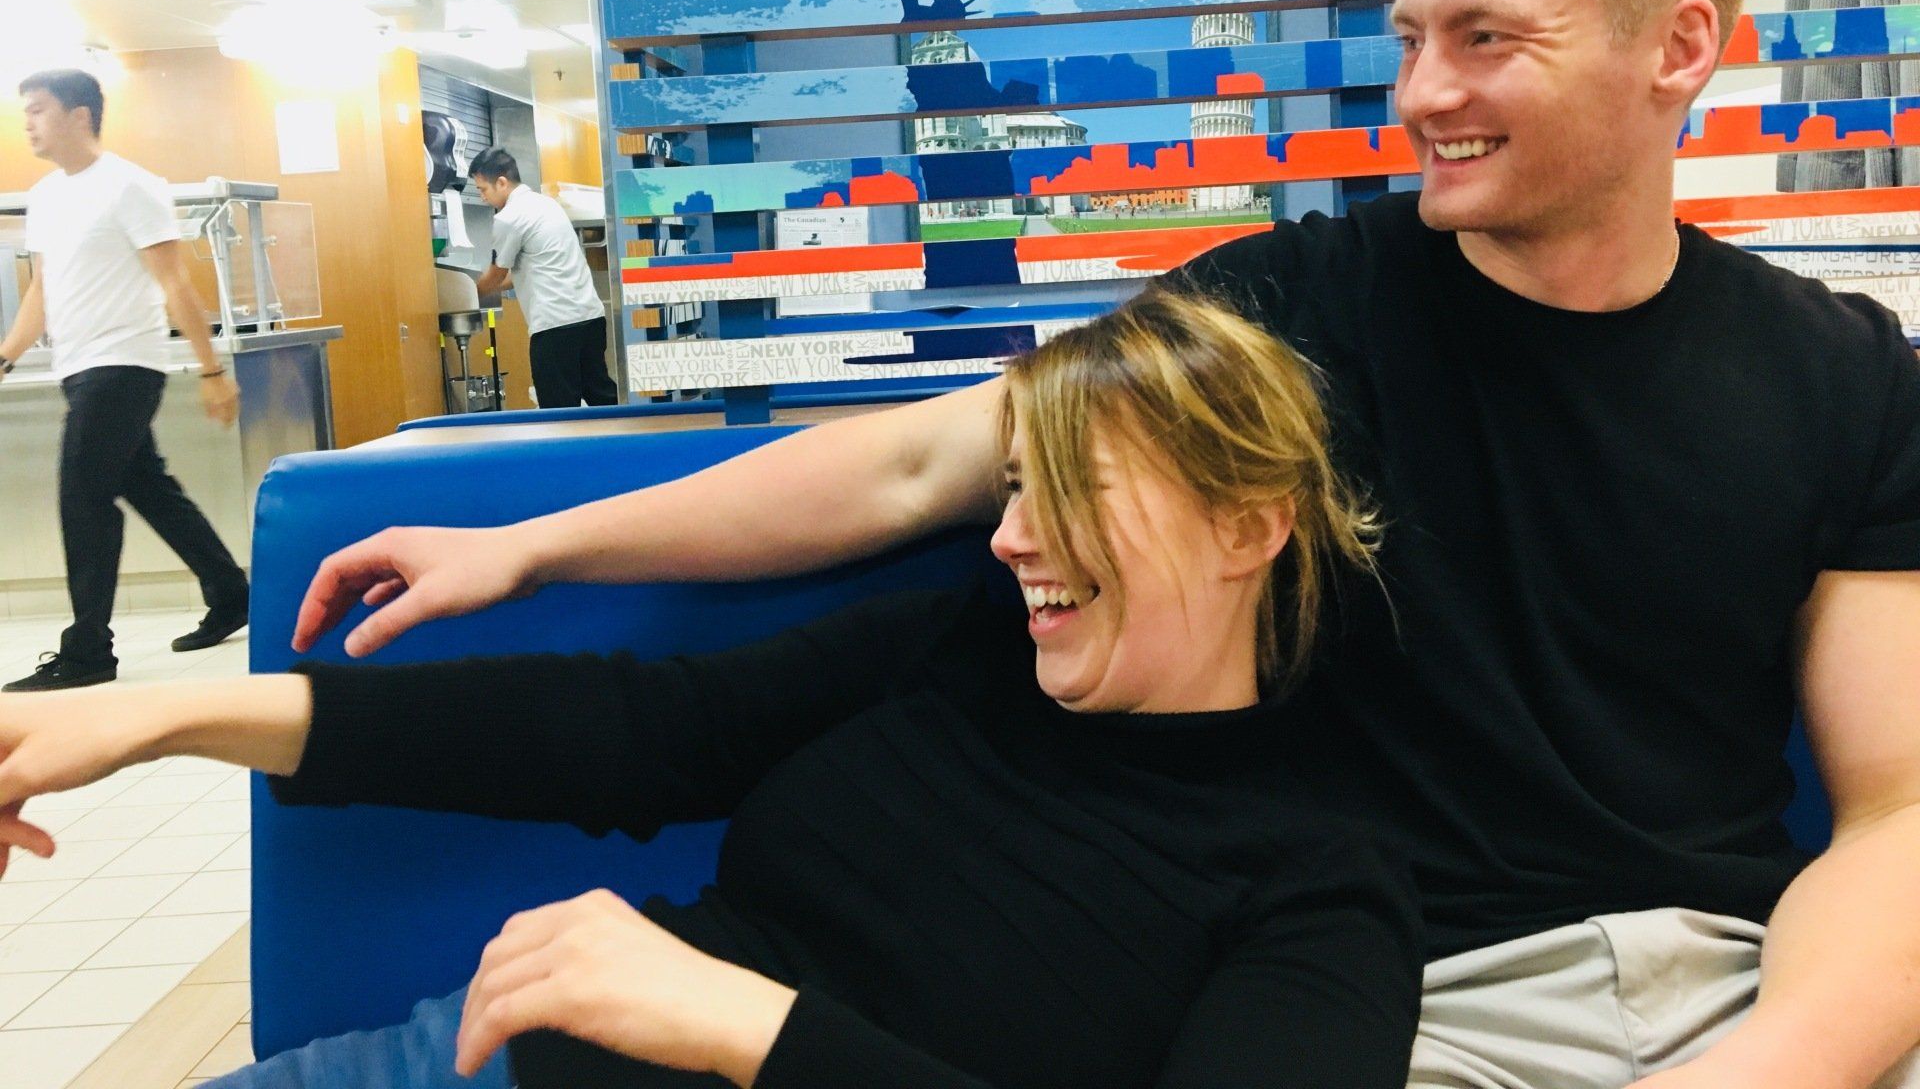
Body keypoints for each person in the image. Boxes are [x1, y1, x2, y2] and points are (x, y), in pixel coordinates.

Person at [291, 0, 1920, 1089]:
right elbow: (921, 462)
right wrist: (533, 544)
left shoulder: (1850, 375)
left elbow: (1900, 809)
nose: (1421, 92)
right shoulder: (1289, 308)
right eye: (1412, 36)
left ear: (1680, 49)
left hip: (1750, 984)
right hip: (1408, 1002)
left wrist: (1779, 1061)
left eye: (1485, 38)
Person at [0, 289, 1422, 1089]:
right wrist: (153, 721)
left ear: (1251, 527)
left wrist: (749, 1027)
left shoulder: (1319, 885)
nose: (1011, 538)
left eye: (1074, 494)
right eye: (1010, 489)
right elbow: (632, 732)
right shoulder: (963, 647)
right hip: (493, 1068)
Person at [0, 70, 250, 694]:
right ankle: (231, 592)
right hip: (78, 366)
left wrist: (213, 371)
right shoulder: (46, 196)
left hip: (123, 365)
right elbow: (42, 292)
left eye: (38, 110)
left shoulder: (130, 186)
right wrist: (4, 357)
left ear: (79, 115)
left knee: (82, 497)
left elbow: (175, 282)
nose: (28, 122)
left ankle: (88, 649)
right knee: (149, 488)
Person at [467, 146, 617, 410]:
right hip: (590, 318)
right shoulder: (546, 204)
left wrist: (466, 293)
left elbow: (497, 275)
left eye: (483, 189)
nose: (482, 197)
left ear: (501, 182)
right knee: (602, 399)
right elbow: (528, 270)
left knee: (558, 410)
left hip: (555, 326)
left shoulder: (509, 218)